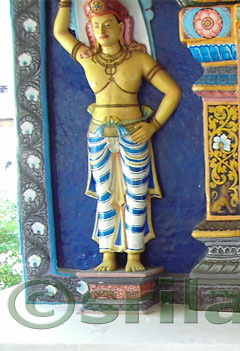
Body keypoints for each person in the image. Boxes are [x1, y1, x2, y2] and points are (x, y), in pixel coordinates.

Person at [53, 0, 181, 272]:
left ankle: (135, 253)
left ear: (122, 26)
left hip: (133, 132)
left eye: (108, 24)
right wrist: (65, 3)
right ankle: (107, 252)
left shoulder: (139, 59)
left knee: (136, 193)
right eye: (96, 25)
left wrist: (153, 125)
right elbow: (61, 33)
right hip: (99, 133)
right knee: (104, 194)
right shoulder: (87, 58)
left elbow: (172, 92)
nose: (102, 30)